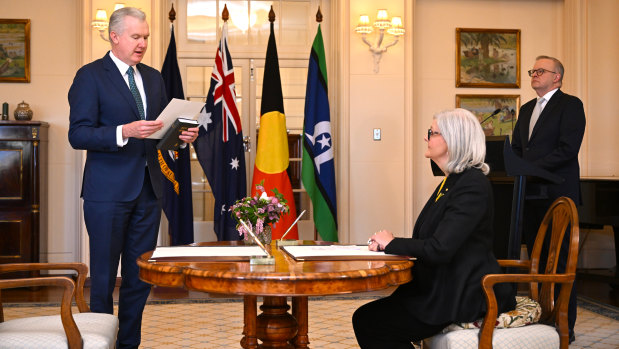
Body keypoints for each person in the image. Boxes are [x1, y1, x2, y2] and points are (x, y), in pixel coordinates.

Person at [68, 7, 198, 349]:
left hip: (149, 190)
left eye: (145, 37)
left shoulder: (153, 77)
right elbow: (78, 135)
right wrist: (123, 131)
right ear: (115, 37)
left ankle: (129, 345)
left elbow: (156, 133)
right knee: (105, 277)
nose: (142, 44)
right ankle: (100, 343)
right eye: (136, 37)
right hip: (106, 193)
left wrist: (179, 136)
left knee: (140, 278)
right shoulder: (90, 76)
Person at [353, 108, 516, 348]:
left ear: (453, 140)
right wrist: (389, 244)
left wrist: (393, 242)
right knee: (368, 318)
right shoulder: (452, 181)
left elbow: (440, 248)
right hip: (440, 285)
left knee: (370, 322)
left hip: (461, 293)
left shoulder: (472, 185)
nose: (426, 137)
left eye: (432, 132)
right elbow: (431, 239)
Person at [511, 55, 586, 343]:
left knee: (561, 261)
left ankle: (565, 325)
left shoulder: (570, 105)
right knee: (537, 261)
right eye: (533, 71)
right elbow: (518, 147)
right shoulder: (527, 108)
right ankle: (542, 319)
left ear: (557, 76)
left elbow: (568, 149)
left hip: (557, 195)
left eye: (540, 71)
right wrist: (517, 168)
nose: (534, 74)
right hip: (529, 196)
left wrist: (531, 169)